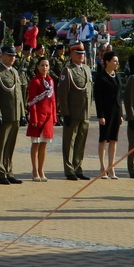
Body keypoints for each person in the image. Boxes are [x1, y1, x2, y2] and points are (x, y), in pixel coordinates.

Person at [58, 43, 93, 181]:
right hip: (72, 112)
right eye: (78, 53)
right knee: (69, 142)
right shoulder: (68, 71)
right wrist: (65, 112)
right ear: (71, 55)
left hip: (85, 112)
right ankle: (69, 169)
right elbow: (62, 94)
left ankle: (78, 167)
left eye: (82, 53)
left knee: (81, 142)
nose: (81, 56)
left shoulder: (87, 69)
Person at [0, 45, 24, 185]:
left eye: (14, 56)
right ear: (2, 56)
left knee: (10, 145)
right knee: (1, 145)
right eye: (10, 56)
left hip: (15, 114)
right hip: (4, 114)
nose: (13, 58)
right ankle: (0, 173)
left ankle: (8, 170)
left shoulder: (15, 72)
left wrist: (23, 113)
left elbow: (19, 95)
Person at [93, 51, 123, 179]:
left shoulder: (118, 76)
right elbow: (98, 98)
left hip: (116, 111)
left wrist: (121, 113)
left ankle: (112, 167)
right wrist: (100, 115)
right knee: (103, 139)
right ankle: (102, 167)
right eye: (114, 61)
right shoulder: (101, 77)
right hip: (105, 111)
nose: (117, 63)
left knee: (113, 140)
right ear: (107, 62)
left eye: (117, 61)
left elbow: (119, 97)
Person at [26, 57, 56, 181]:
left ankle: (41, 170)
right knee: (36, 144)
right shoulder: (35, 82)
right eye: (42, 65)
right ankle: (34, 170)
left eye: (47, 65)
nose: (45, 68)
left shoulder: (51, 81)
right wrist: (33, 117)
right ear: (38, 67)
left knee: (44, 144)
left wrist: (54, 116)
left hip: (48, 117)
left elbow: (53, 100)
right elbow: (31, 101)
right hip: (38, 116)